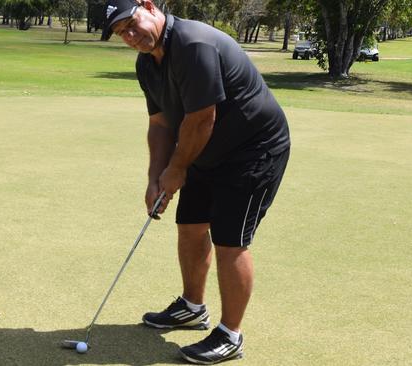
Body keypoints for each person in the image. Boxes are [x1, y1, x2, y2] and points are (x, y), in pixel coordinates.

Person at [102, 0, 291, 364]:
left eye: (131, 23)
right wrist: (156, 178)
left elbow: (203, 117)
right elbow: (160, 124)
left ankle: (230, 335)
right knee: (189, 227)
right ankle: (192, 307)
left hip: (253, 149)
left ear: (149, 6)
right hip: (202, 151)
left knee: (230, 241)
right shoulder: (147, 64)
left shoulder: (193, 44)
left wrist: (176, 171)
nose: (130, 35)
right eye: (121, 32)